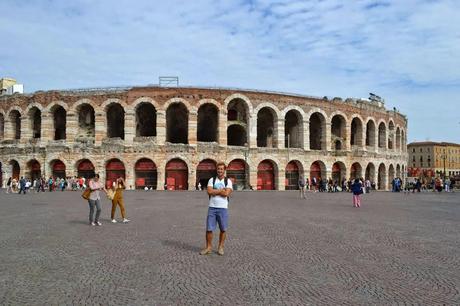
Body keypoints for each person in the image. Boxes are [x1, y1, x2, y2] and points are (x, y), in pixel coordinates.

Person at [200, 162, 233, 256]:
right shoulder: (212, 180)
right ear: (216, 170)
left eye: (221, 169)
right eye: (218, 169)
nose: (220, 171)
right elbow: (209, 191)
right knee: (209, 229)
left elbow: (227, 194)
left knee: (223, 229)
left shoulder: (228, 181)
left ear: (224, 170)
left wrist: (215, 191)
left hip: (223, 208)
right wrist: (221, 190)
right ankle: (208, 247)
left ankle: (221, 247)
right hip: (212, 208)